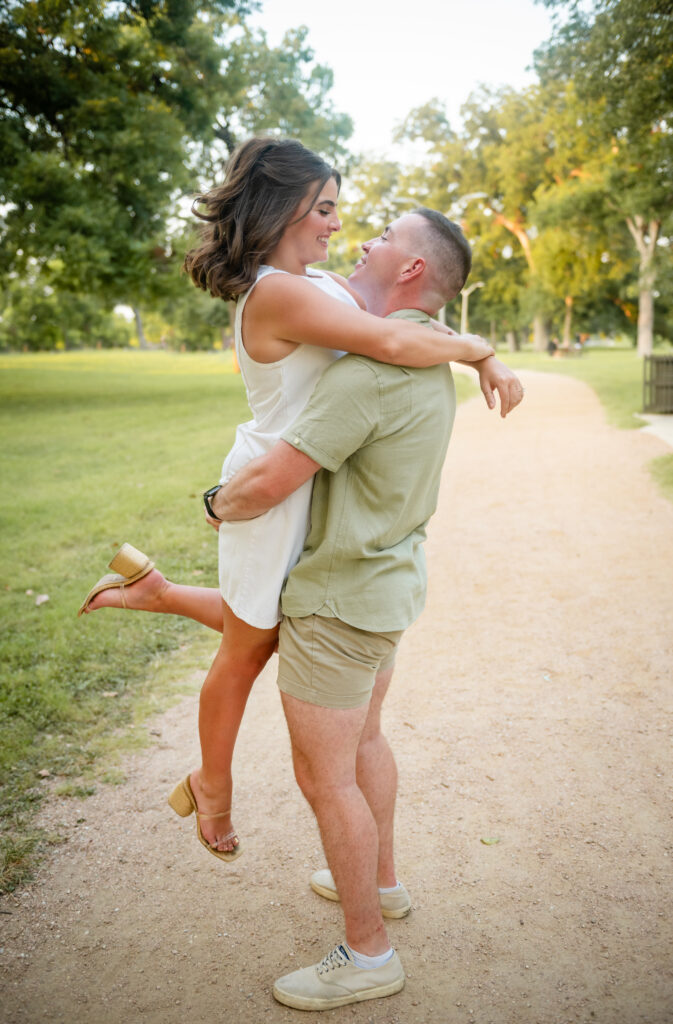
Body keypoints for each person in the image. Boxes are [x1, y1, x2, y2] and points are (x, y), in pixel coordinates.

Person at [78, 137, 521, 863]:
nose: (337, 225)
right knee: (249, 649)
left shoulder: (324, 287)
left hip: (311, 474)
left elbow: (415, 325)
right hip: (271, 483)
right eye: (324, 208)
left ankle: (155, 592)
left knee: (289, 624)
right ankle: (211, 785)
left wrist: (482, 350)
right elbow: (396, 343)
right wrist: (481, 351)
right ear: (284, 208)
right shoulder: (276, 290)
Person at [206, 207, 523, 1010]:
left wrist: (214, 504)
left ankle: (367, 952)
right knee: (367, 742)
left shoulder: (369, 373)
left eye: (383, 236)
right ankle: (381, 885)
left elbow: (269, 484)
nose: (364, 241)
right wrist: (479, 350)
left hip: (340, 599)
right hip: (385, 588)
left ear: (410, 270)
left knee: (326, 779)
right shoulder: (427, 363)